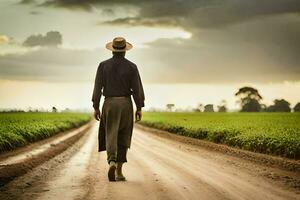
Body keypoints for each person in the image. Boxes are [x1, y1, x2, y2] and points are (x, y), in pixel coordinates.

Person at [92, 37, 145, 182]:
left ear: (113, 50)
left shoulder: (103, 66)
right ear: (125, 51)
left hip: (109, 103)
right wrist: (139, 107)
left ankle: (112, 162)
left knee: (110, 134)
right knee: (123, 136)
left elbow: (97, 88)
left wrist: (96, 106)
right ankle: (119, 172)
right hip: (126, 104)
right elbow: (137, 89)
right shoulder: (132, 67)